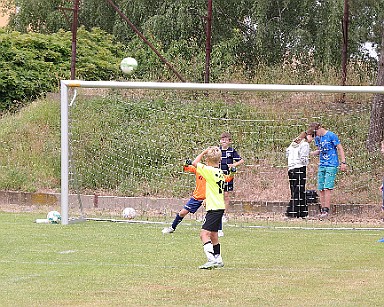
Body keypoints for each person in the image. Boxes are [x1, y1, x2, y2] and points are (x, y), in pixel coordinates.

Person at [190, 146, 235, 269]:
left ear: (208, 160)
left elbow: (194, 163)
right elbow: (228, 177)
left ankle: (211, 260)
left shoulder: (208, 170)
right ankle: (218, 259)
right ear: (219, 160)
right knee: (214, 235)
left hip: (214, 208)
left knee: (204, 234)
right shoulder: (220, 172)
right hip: (219, 206)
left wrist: (203, 151)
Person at [162, 160, 234, 234]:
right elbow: (186, 168)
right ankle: (172, 228)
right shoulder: (199, 169)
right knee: (182, 213)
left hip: (209, 197)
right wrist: (186, 163)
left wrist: (232, 173)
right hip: (197, 197)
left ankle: (219, 231)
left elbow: (228, 178)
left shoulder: (215, 172)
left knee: (215, 213)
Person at [307, 122, 347, 218]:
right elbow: (319, 151)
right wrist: (309, 153)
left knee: (327, 188)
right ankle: (322, 209)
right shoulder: (317, 138)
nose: (315, 135)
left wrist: (343, 162)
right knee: (320, 188)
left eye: (315, 133)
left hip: (331, 164)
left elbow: (340, 148)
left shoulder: (331, 135)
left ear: (320, 128)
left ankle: (326, 210)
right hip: (322, 164)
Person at [218, 132, 244, 236]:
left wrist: (234, 164)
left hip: (228, 177)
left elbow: (241, 160)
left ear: (230, 141)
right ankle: (212, 214)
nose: (224, 141)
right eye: (222, 139)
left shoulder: (231, 151)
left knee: (226, 195)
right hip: (217, 176)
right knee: (216, 195)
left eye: (226, 139)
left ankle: (223, 215)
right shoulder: (217, 150)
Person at [285, 131, 312, 218]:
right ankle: (292, 212)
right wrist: (307, 161)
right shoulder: (305, 144)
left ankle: (302, 213)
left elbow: (287, 154)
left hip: (291, 169)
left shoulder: (293, 144)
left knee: (295, 190)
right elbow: (303, 158)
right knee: (299, 191)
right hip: (299, 168)